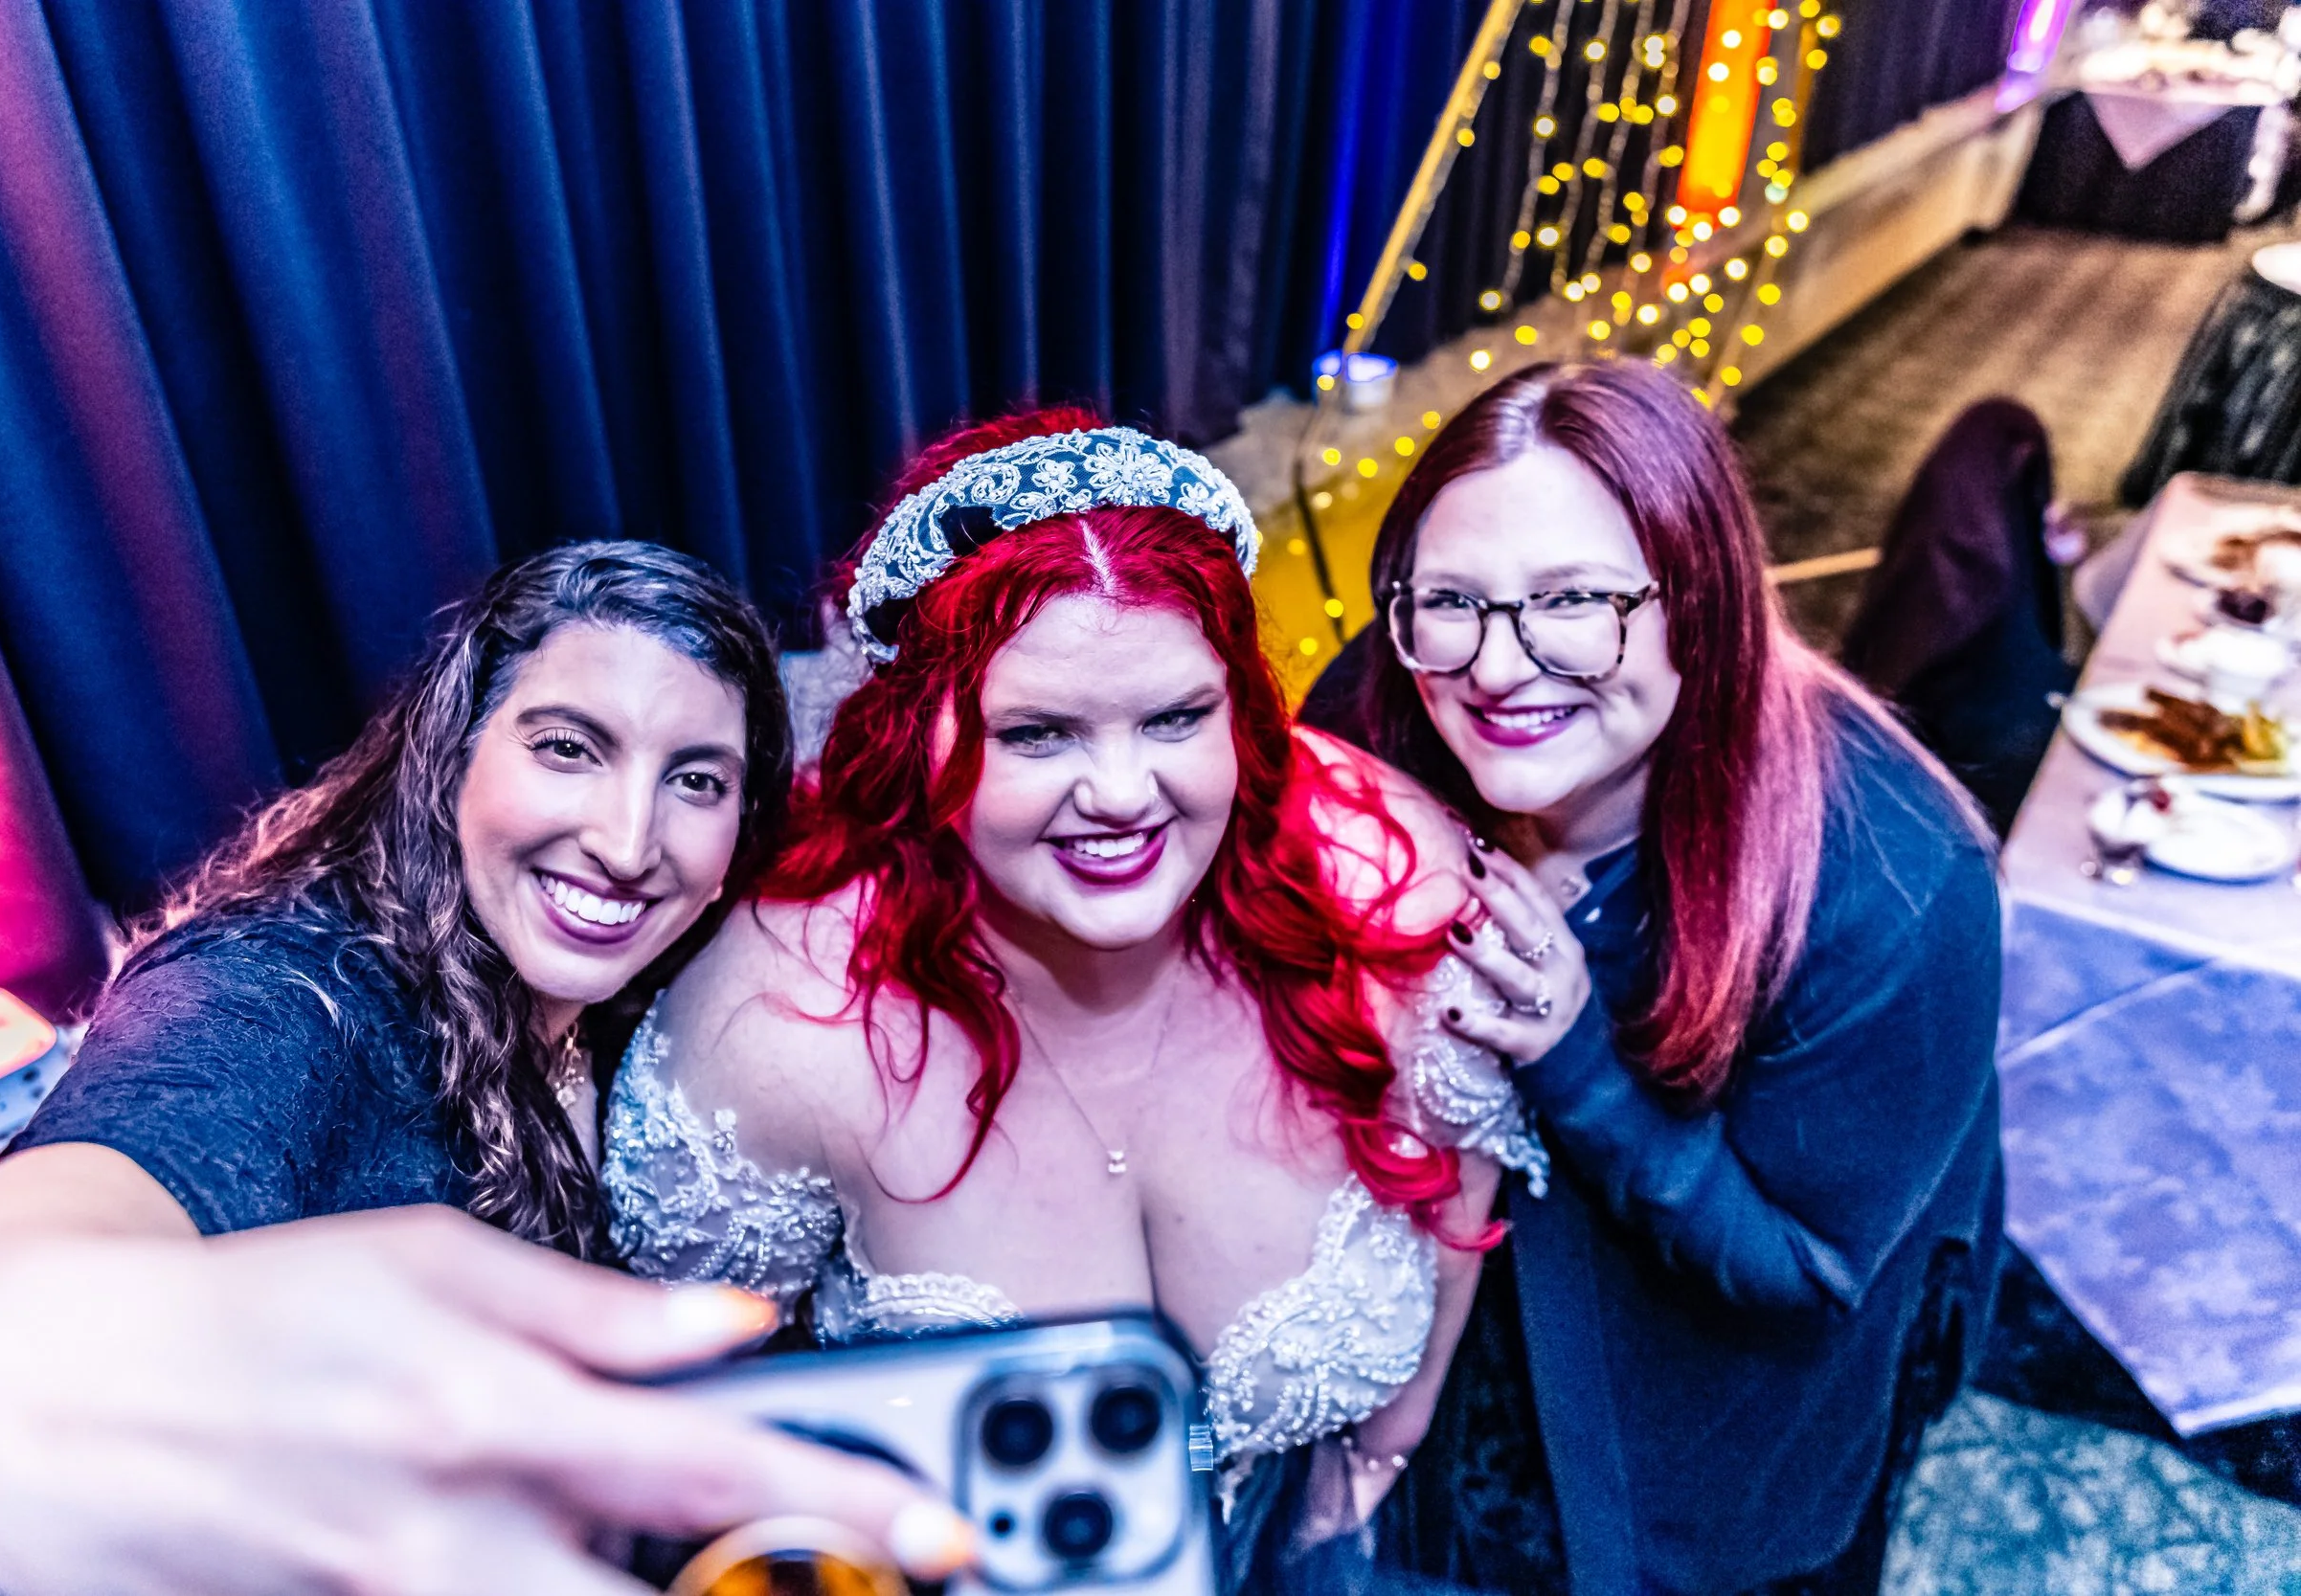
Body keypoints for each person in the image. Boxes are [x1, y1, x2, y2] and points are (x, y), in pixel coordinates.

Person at [0, 542, 975, 1595]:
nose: (627, 837)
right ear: (452, 751)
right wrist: (1, 1350)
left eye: (695, 779)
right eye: (569, 748)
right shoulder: (294, 990)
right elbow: (52, 1227)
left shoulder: (648, 990)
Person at [602, 412, 1553, 1590]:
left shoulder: (1384, 895)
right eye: (1038, 732)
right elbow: (686, 1424)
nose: (1120, 794)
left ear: (1241, 712)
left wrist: (1365, 1479)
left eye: (1174, 717)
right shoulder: (782, 1028)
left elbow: (1459, 1212)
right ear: (918, 741)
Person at [1300, 360, 2006, 1595]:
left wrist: (1577, 1057)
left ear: (1704, 601)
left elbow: (1808, 1270)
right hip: (1452, 1314)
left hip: (1713, 1392)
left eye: (1573, 600)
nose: (1498, 668)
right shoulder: (1374, 712)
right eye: (1450, 597)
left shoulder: (1891, 883)